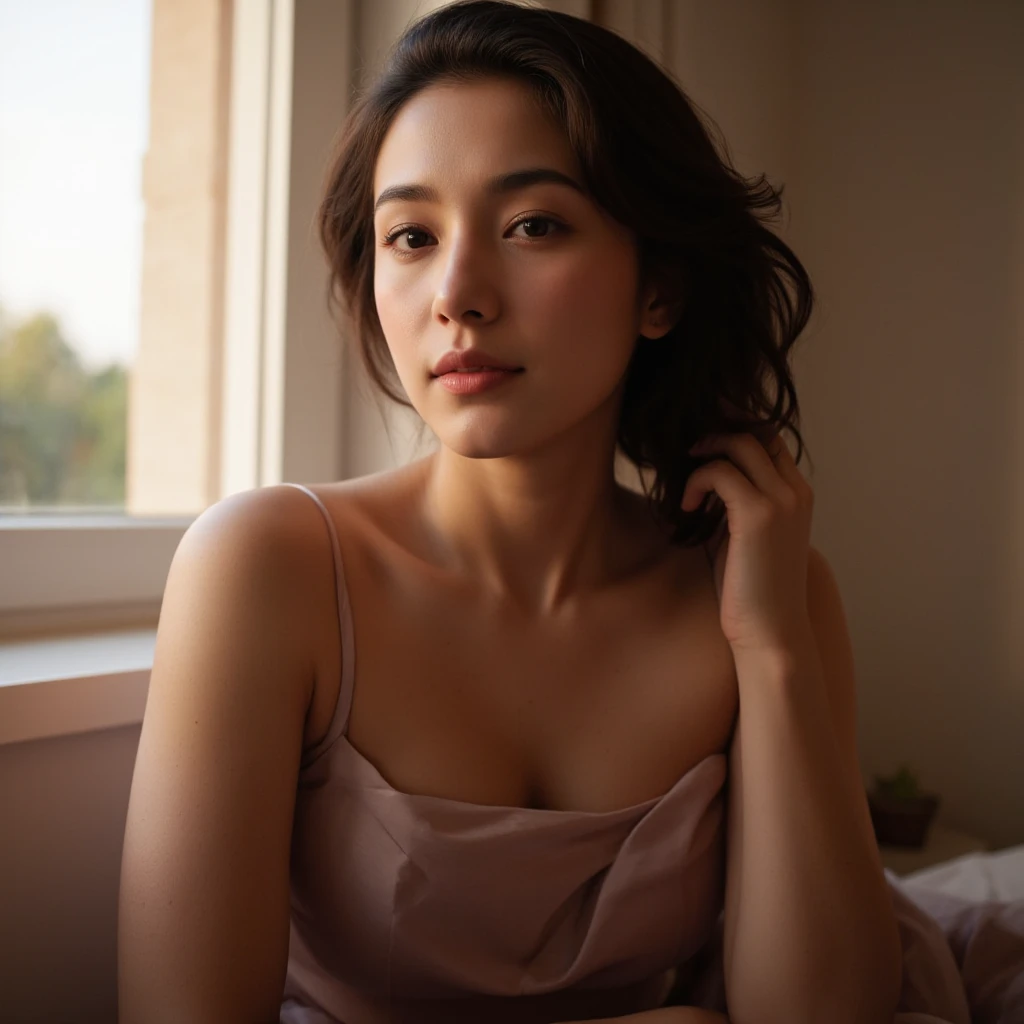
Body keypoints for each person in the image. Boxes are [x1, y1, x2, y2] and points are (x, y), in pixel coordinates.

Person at [118, 2, 903, 1022]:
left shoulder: (763, 589)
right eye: (411, 235)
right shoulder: (270, 567)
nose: (457, 292)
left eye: (532, 224)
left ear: (657, 287)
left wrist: (773, 647)